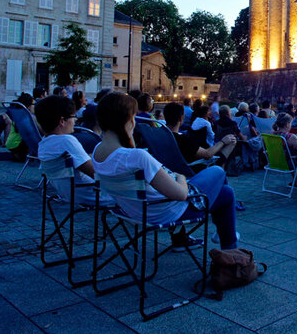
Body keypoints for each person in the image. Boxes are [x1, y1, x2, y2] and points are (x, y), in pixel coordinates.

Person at [92, 93, 239, 250]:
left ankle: (229, 246)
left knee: (226, 193)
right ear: (127, 121)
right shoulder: (137, 157)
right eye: (133, 117)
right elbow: (181, 195)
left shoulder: (97, 152)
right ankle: (229, 250)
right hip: (166, 212)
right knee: (217, 171)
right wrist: (180, 177)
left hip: (133, 210)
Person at [35, 95, 113, 206]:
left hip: (71, 195)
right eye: (73, 116)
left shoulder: (44, 144)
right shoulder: (67, 141)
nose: (75, 120)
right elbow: (95, 173)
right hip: (95, 195)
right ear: (62, 121)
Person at [163, 102, 238, 167]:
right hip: (195, 167)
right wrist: (223, 141)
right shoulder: (182, 139)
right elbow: (207, 154)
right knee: (232, 142)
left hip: (171, 166)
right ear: (180, 118)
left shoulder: (160, 134)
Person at [6, 93, 35, 161]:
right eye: (33, 104)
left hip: (11, 143)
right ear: (28, 106)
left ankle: (18, 155)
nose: (34, 106)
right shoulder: (27, 118)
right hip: (17, 144)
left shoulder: (18, 115)